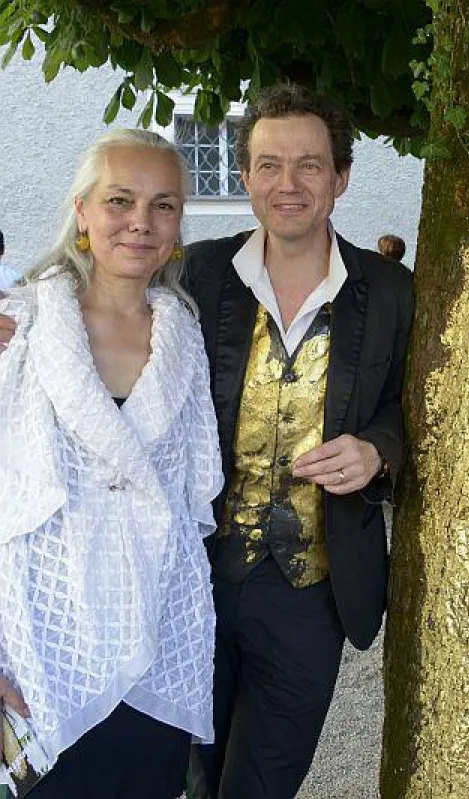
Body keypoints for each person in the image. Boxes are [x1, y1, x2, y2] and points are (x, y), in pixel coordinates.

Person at [181, 83, 414, 798]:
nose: (289, 183)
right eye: (270, 164)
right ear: (245, 175)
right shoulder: (196, 274)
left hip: (312, 588)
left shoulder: (391, 290)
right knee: (192, 770)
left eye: (309, 165)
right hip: (194, 575)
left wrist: (378, 448)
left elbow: (414, 410)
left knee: (266, 779)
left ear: (340, 178)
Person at [0, 129, 222, 798]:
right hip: (41, 642)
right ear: (82, 212)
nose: (140, 222)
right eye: (119, 200)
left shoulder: (186, 337)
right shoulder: (21, 325)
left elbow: (193, 497)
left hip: (159, 639)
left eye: (163, 205)